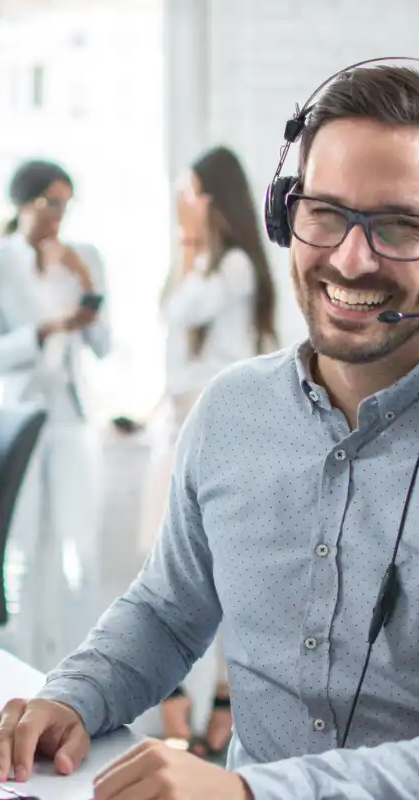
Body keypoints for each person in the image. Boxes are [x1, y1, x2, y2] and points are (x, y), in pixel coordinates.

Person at [0, 63, 419, 800]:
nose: (349, 257)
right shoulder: (232, 412)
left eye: (400, 225)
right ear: (286, 214)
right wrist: (72, 697)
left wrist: (253, 794)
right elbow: (165, 611)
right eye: (325, 213)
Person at [142, 145, 277, 761]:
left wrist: (188, 244)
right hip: (177, 424)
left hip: (215, 432)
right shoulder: (210, 265)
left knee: (213, 569)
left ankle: (213, 704)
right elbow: (172, 325)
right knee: (163, 568)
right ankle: (184, 704)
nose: (185, 207)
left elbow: (178, 308)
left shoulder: (237, 269)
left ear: (215, 199)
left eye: (193, 194)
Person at [0, 159, 112, 673]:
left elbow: (102, 342)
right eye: (50, 203)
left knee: (79, 556)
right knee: (21, 554)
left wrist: (84, 281)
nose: (58, 215)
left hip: (71, 418)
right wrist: (48, 328)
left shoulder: (85, 257)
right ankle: (13, 672)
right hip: (21, 415)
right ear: (22, 203)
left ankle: (83, 676)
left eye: (65, 204)